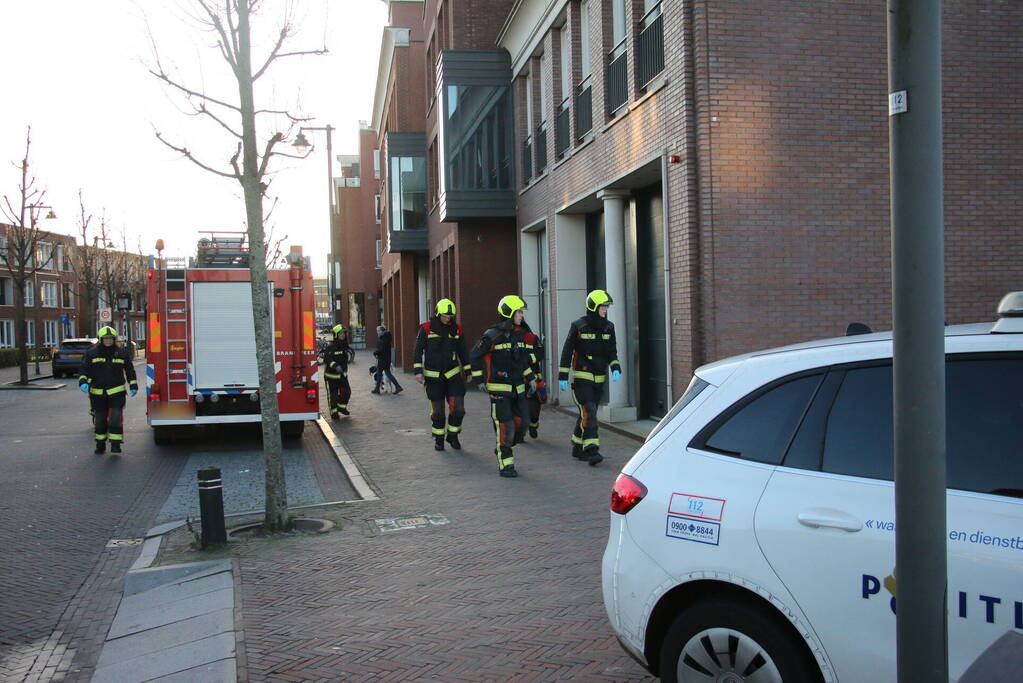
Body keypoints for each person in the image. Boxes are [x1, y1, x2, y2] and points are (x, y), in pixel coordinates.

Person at [470, 295, 534, 478]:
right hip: (499, 390)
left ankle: (502, 446)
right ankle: (506, 464)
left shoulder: (520, 335)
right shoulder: (492, 335)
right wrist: (479, 380)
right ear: (509, 313)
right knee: (505, 427)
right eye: (519, 312)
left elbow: (522, 360)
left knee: (523, 424)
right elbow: (474, 355)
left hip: (518, 390)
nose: (522, 315)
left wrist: (530, 378)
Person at [558, 289, 621, 466]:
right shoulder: (579, 326)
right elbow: (567, 350)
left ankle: (577, 446)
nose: (605, 310)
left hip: (599, 379)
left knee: (585, 413)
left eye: (606, 307)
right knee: (590, 410)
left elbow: (611, 350)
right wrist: (563, 374)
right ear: (593, 307)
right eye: (602, 307)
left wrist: (615, 366)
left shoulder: (609, 327)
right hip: (581, 377)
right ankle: (592, 450)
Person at [412, 299, 472, 451]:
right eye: (445, 316)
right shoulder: (426, 328)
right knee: (438, 412)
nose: (448, 319)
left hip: (453, 375)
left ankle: (453, 436)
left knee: (458, 409)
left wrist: (468, 370)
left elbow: (462, 351)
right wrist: (418, 371)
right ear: (438, 314)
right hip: (434, 378)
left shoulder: (456, 329)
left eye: (450, 316)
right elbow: (418, 350)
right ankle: (439, 439)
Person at [79, 326, 138, 454]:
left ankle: (116, 444)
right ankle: (100, 444)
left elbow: (129, 370)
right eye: (105, 339)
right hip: (97, 394)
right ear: (101, 339)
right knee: (100, 420)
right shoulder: (91, 353)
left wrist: (133, 385)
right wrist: (83, 381)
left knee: (116, 418)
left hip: (117, 392)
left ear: (114, 339)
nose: (108, 341)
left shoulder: (121, 353)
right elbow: (84, 369)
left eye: (110, 338)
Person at [520, 320, 547, 440]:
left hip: (534, 379)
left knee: (535, 409)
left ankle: (533, 426)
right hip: (518, 380)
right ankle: (520, 433)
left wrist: (529, 359)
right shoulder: (508, 339)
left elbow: (541, 353)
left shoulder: (532, 338)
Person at [319, 323, 353, 419]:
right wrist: (335, 366)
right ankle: (334, 413)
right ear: (336, 335)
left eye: (344, 333)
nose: (343, 335)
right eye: (340, 333)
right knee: (333, 396)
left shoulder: (345, 346)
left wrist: (343, 371)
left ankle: (341, 407)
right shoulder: (331, 346)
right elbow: (327, 359)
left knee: (347, 392)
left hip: (342, 375)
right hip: (332, 376)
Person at [372, 324, 403, 394]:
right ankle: (377, 389)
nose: (377, 332)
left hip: (383, 359)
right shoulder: (385, 337)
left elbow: (382, 349)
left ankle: (397, 386)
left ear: (382, 331)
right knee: (381, 373)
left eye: (378, 331)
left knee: (386, 374)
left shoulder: (383, 338)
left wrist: (376, 352)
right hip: (385, 359)